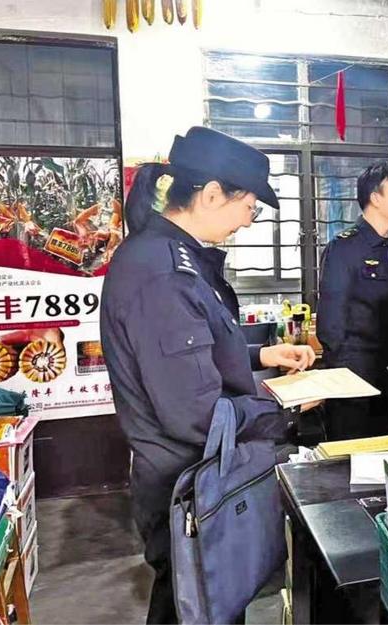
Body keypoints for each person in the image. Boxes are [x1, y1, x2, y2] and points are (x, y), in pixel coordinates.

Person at [100, 127, 317, 624]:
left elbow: (193, 351)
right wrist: (283, 405)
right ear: (213, 194)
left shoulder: (174, 256)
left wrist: (262, 355)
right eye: (249, 208)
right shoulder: (163, 273)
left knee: (199, 605)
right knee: (193, 608)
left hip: (197, 478)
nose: (247, 222)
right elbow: (195, 413)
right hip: (187, 485)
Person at [316, 163, 388, 440]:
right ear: (376, 198)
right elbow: (331, 323)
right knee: (350, 455)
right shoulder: (344, 248)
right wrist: (343, 379)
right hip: (355, 380)